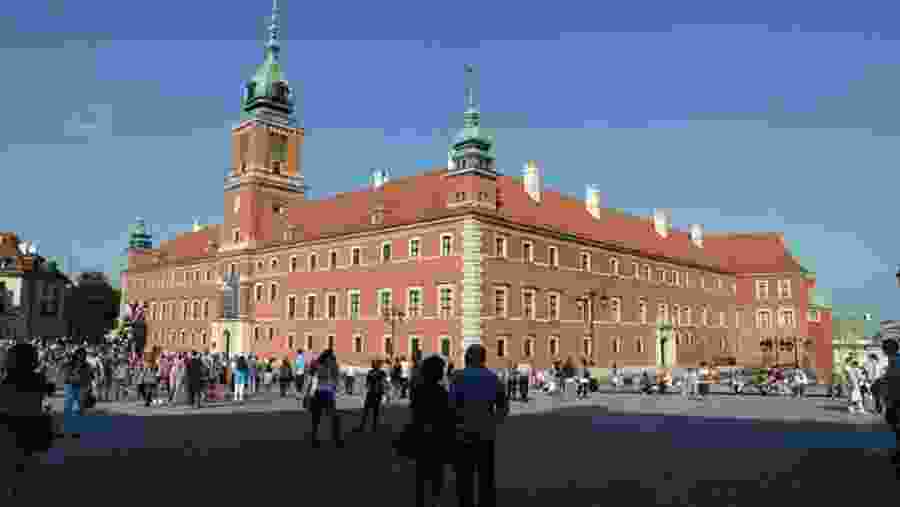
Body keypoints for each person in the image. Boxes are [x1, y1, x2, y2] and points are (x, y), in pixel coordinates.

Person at [449, 344, 508, 507]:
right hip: (486, 433)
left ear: (467, 358)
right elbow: (503, 406)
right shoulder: (492, 378)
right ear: (483, 359)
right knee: (486, 476)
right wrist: (494, 421)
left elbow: (451, 406)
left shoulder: (457, 378)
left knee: (464, 477)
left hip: (463, 434)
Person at [0, 343, 56, 499]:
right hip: (32, 423)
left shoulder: (7, 379)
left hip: (9, 423)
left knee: (12, 460)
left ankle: (14, 490)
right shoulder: (37, 379)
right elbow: (49, 389)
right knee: (26, 460)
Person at [410, 355, 452, 507]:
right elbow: (446, 416)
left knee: (421, 472)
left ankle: (420, 501)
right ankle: (435, 501)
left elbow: (414, 412)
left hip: (420, 435)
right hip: (437, 437)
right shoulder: (441, 392)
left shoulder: (417, 390)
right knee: (437, 472)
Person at [307, 348, 344, 448]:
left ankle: (314, 439)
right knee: (333, 417)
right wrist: (335, 386)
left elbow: (311, 379)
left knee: (316, 418)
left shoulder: (317, 364)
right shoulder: (333, 364)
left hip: (318, 393)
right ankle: (337, 439)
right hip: (327, 393)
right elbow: (336, 381)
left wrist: (308, 394)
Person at [60, 348, 91, 437]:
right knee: (68, 408)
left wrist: (89, 388)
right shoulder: (69, 364)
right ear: (76, 354)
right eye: (79, 354)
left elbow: (89, 377)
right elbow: (64, 373)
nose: (81, 356)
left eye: (83, 354)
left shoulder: (86, 365)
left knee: (78, 410)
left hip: (81, 387)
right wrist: (70, 376)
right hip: (70, 386)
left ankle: (76, 430)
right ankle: (65, 429)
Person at [356, 359, 388, 433]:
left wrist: (384, 391)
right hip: (376, 393)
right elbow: (384, 383)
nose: (372, 365)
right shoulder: (381, 373)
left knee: (368, 411)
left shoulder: (372, 372)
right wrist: (384, 392)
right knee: (373, 411)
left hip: (373, 393)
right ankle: (372, 427)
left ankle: (365, 426)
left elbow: (368, 384)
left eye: (373, 364)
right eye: (373, 364)